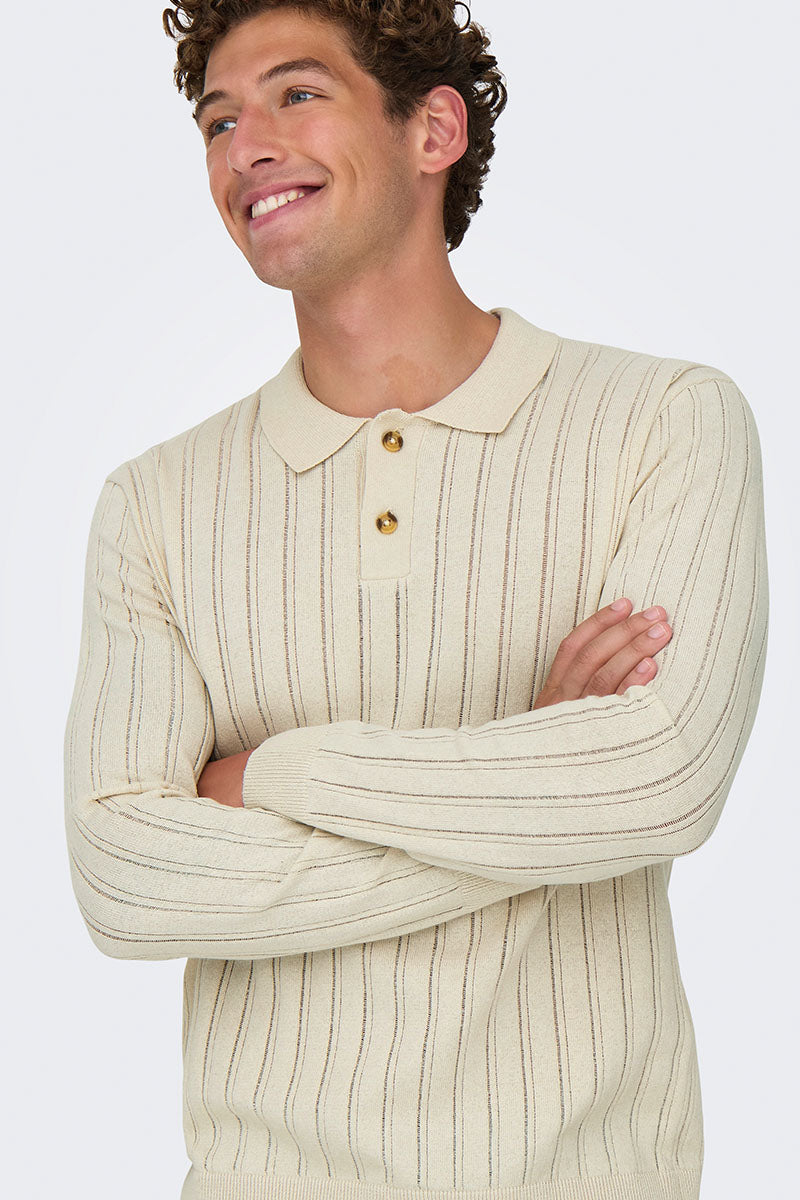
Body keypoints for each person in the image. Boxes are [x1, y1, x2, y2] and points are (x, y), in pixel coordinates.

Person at [63, 2, 768, 1199]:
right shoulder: (156, 506)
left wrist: (270, 774)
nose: (245, 148)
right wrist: (533, 782)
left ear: (432, 130)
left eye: (296, 95)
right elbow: (125, 881)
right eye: (218, 121)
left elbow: (658, 781)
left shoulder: (662, 423)